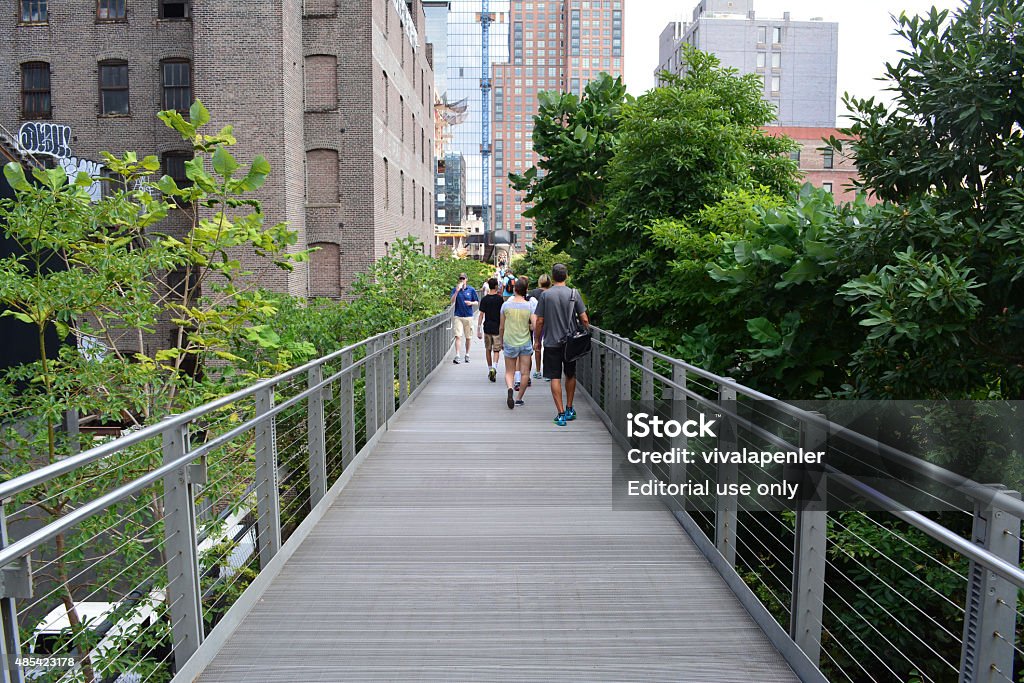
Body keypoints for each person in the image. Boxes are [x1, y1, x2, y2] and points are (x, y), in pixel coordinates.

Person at [533, 263, 589, 426]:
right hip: (571, 343)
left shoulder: (546, 295)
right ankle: (570, 408)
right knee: (570, 374)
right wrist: (585, 333)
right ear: (566, 276)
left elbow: (540, 321)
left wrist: (537, 340)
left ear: (552, 276)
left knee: (555, 376)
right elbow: (584, 318)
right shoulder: (574, 293)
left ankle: (561, 414)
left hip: (551, 342)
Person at [499, 278, 535, 409]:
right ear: (526, 290)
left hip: (510, 341)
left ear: (514, 290)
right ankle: (519, 398)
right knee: (525, 373)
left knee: (510, 371)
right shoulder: (529, 306)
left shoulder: (506, 306)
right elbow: (535, 325)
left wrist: (501, 340)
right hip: (525, 342)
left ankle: (510, 388)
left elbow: (501, 326)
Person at [476, 278, 504, 382]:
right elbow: (502, 315)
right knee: (496, 350)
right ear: (496, 286)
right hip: (497, 328)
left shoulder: (484, 299)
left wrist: (478, 329)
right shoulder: (500, 299)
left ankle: (489, 368)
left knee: (488, 349)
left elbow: (481, 315)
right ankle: (494, 368)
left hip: (487, 327)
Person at [449, 273, 479, 364]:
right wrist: (457, 291)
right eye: (461, 278)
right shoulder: (455, 289)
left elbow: (477, 302)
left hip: (468, 316)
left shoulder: (471, 289)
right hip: (458, 315)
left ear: (466, 279)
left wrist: (471, 303)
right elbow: (452, 301)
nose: (462, 280)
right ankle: (457, 355)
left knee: (468, 337)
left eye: (463, 278)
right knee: (458, 336)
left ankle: (467, 354)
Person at [527, 274, 551, 381]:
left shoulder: (533, 293)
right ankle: (548, 372)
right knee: (549, 347)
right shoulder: (551, 292)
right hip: (549, 322)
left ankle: (537, 371)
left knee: (537, 345)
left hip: (534, 322)